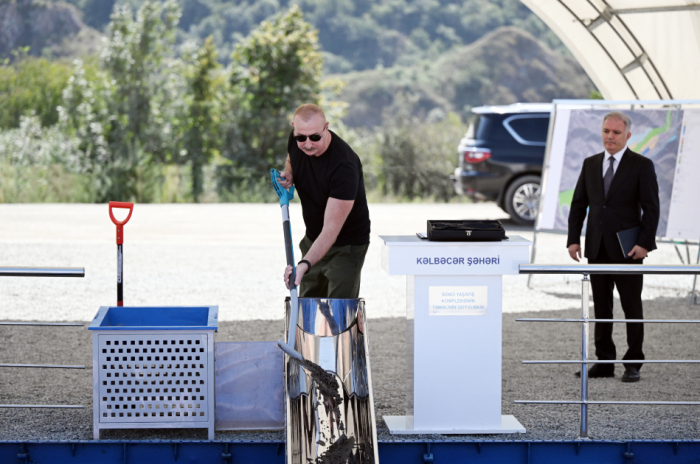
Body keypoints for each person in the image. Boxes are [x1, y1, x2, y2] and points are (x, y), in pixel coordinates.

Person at [567, 111, 660, 383]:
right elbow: (578, 205)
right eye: (606, 131)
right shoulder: (590, 164)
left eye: (616, 132)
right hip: (596, 248)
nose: (610, 136)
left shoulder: (642, 165)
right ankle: (604, 362)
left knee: (632, 307)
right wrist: (573, 239)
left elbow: (652, 209)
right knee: (602, 309)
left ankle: (633, 363)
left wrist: (644, 243)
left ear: (628, 135)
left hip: (629, 250)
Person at [278, 103, 371, 298]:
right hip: (313, 238)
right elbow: (291, 158)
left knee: (338, 310)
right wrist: (289, 173)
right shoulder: (297, 141)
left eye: (315, 137)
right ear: (294, 128)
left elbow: (330, 230)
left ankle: (351, 325)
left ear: (326, 128)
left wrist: (304, 263)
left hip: (346, 245)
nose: (308, 143)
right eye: (301, 137)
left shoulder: (344, 166)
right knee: (308, 304)